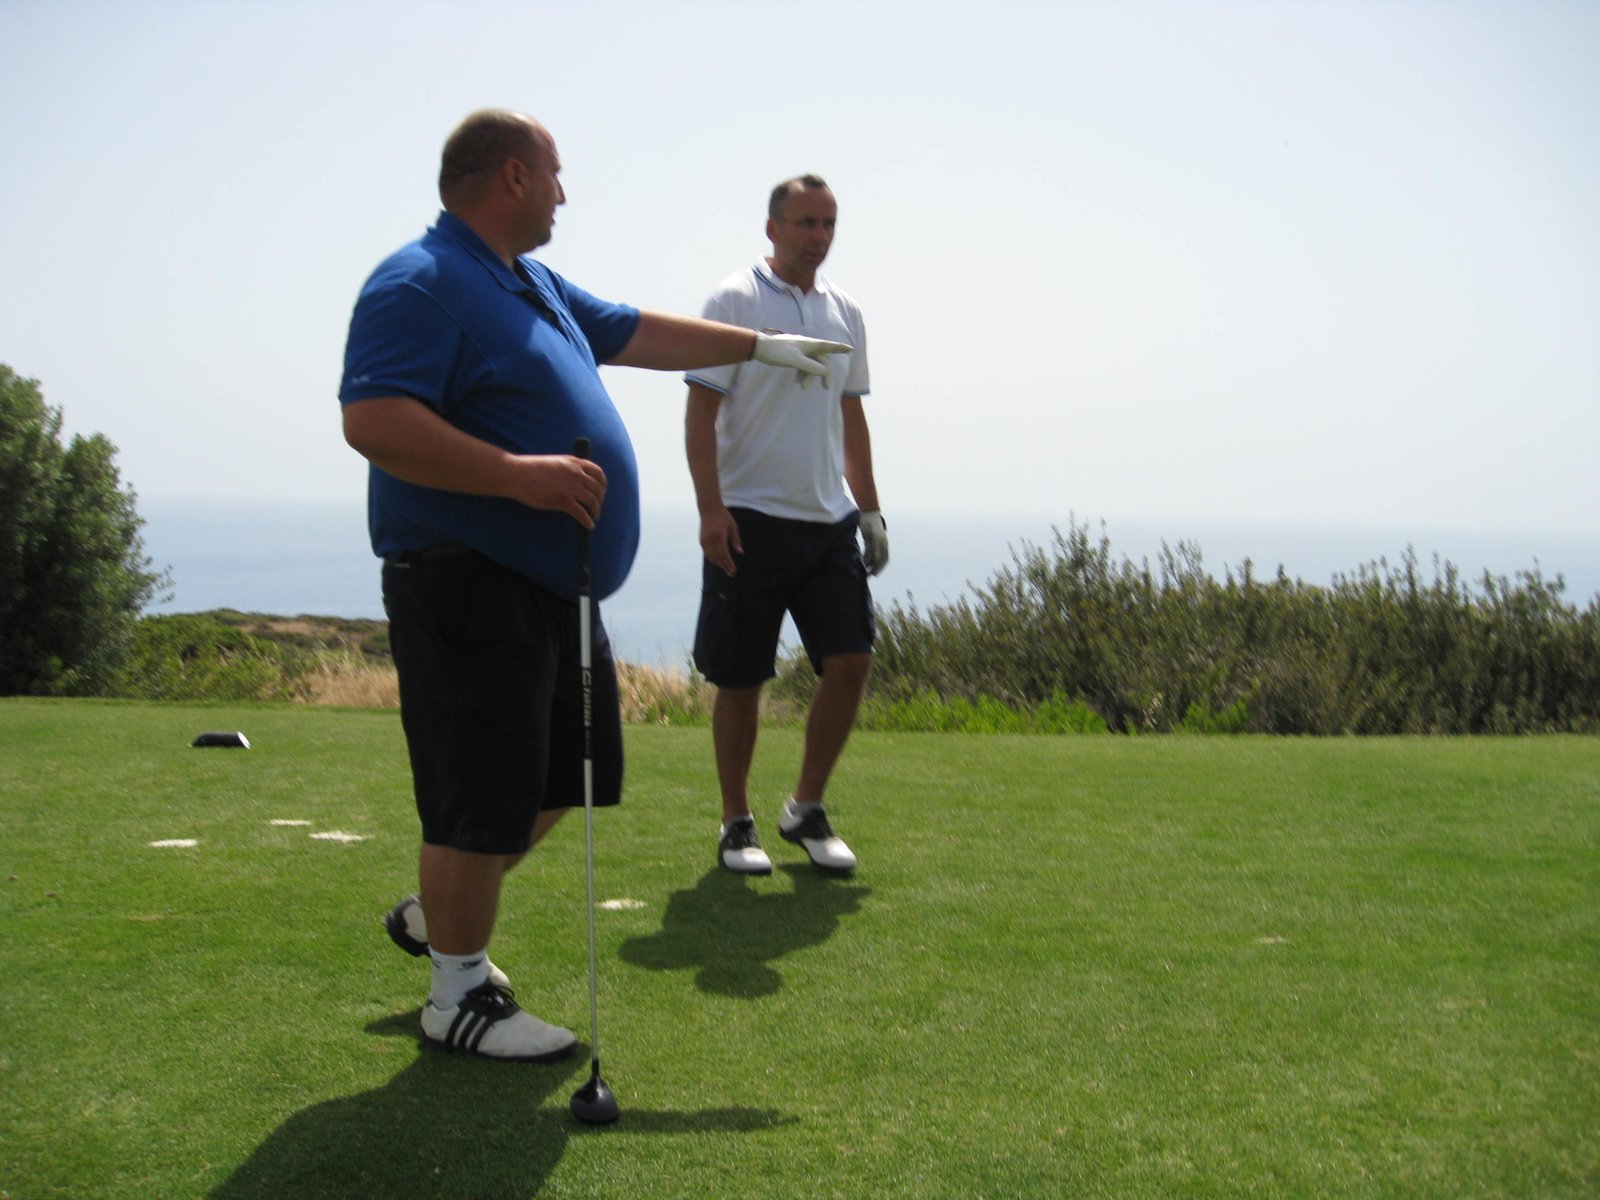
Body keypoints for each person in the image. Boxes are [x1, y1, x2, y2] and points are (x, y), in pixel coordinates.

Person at [340, 110, 850, 1061]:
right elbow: (373, 419)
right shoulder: (421, 280)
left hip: (551, 588)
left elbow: (635, 331)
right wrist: (516, 476)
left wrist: (761, 348)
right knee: (477, 797)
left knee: (565, 778)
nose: (565, 194)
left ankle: (442, 916)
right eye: (555, 174)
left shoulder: (529, 280)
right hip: (468, 582)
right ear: (512, 177)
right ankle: (457, 994)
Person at [684, 174, 887, 878]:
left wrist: (870, 508)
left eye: (828, 224)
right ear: (773, 228)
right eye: (805, 223)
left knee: (851, 660)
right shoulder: (734, 299)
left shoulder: (845, 311)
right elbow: (701, 411)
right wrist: (711, 509)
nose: (818, 237)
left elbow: (851, 413)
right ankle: (736, 822)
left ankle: (805, 807)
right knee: (742, 679)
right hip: (749, 517)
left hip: (827, 520)